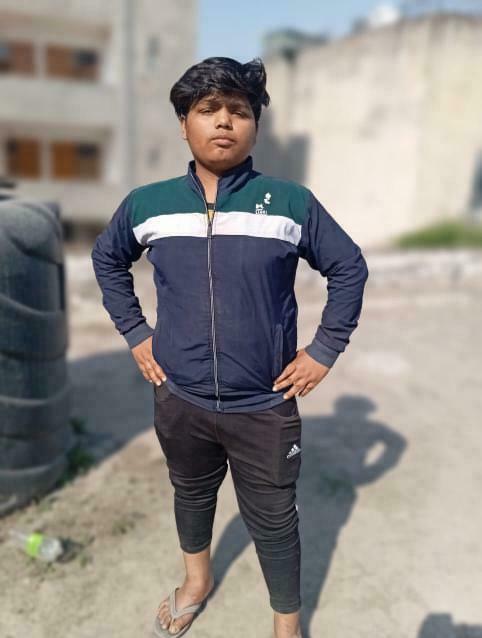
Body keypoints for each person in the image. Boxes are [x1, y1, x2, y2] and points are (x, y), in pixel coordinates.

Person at [91, 56, 369, 638]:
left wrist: (324, 349)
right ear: (183, 123)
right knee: (191, 495)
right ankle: (197, 582)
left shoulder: (289, 202)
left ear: (255, 126)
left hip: (263, 404)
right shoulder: (148, 203)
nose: (224, 122)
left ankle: (287, 625)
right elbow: (107, 258)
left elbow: (348, 267)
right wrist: (136, 333)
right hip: (180, 396)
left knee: (274, 517)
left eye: (239, 111)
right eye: (208, 109)